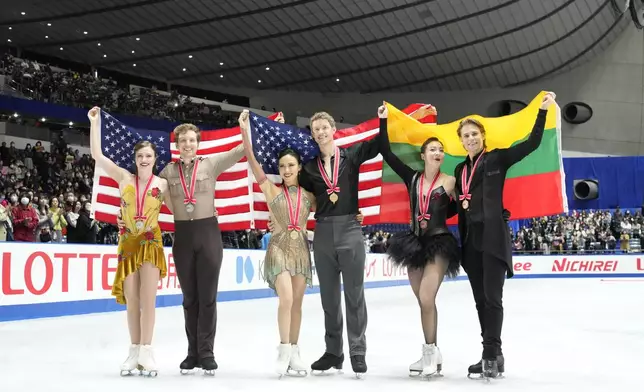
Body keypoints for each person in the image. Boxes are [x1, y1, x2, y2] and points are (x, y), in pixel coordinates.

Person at [454, 92, 556, 379]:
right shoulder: (460, 169)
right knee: (479, 300)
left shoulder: (497, 159)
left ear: (483, 136)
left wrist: (542, 112)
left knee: (492, 298)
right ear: (461, 140)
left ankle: (489, 353)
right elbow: (454, 205)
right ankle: (494, 354)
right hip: (470, 242)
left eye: (475, 133)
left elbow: (532, 143)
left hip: (494, 239)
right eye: (466, 135)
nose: (471, 138)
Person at [293, 108, 383, 377]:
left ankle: (357, 350)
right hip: (322, 232)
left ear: (334, 130)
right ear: (312, 134)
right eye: (315, 128)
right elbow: (296, 192)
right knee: (328, 298)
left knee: (354, 295)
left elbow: (380, 144)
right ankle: (334, 352)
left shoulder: (352, 156)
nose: (320, 132)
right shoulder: (309, 168)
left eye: (324, 127)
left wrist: (384, 119)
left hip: (350, 229)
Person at [376, 103, 460, 378]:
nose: (438, 153)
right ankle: (432, 353)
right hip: (413, 243)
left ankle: (429, 353)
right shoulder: (411, 178)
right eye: (433, 149)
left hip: (439, 242)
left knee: (427, 296)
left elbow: (466, 207)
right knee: (423, 301)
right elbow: (387, 152)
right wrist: (384, 122)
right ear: (423, 155)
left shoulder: (450, 181)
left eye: (441, 149)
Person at [88, 107, 169, 377]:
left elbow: (183, 209)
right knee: (132, 300)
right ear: (134, 159)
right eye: (140, 156)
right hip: (128, 242)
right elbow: (97, 156)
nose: (144, 159)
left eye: (148, 155)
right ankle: (134, 351)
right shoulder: (124, 177)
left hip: (151, 242)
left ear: (155, 158)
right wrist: (93, 122)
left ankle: (147, 350)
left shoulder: (164, 184)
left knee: (149, 299)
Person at [158, 122, 245, 375]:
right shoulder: (166, 172)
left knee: (208, 297)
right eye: (183, 141)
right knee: (189, 299)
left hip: (208, 234)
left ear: (198, 143)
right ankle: (192, 352)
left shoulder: (210, 164)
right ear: (177, 145)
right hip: (182, 236)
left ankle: (206, 352)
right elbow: (148, 191)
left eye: (192, 140)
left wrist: (259, 129)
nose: (187, 145)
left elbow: (240, 151)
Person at [238, 109, 314, 377]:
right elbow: (252, 161)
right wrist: (245, 133)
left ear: (299, 167)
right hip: (279, 247)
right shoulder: (271, 189)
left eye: (291, 165)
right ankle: (283, 350)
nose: (286, 170)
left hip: (302, 249)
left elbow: (332, 205)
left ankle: (295, 351)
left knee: (297, 303)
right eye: (282, 166)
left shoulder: (309, 195)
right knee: (286, 299)